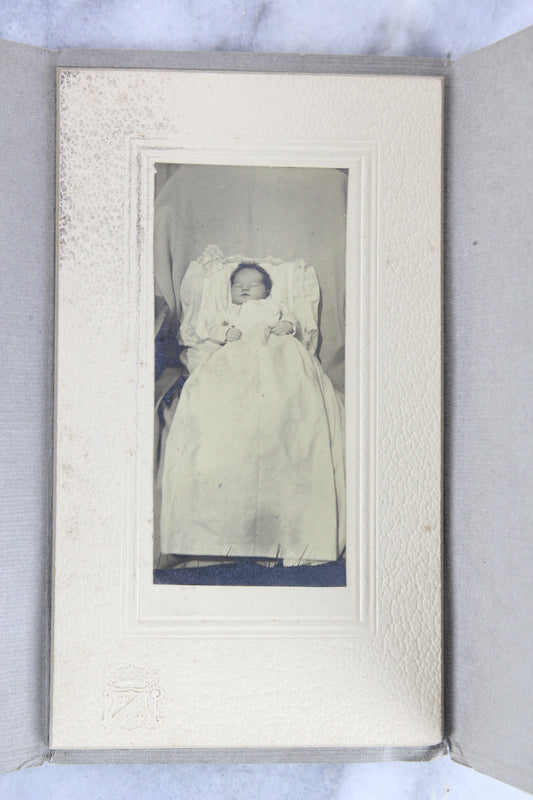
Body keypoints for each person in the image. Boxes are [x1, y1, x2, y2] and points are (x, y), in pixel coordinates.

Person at [159, 261, 345, 566]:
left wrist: (288, 326)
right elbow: (212, 330)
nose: (244, 288)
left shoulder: (275, 306)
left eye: (253, 283)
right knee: (222, 398)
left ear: (268, 290)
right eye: (237, 285)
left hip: (277, 355)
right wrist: (226, 332)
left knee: (285, 392)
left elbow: (293, 324)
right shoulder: (231, 312)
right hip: (238, 358)